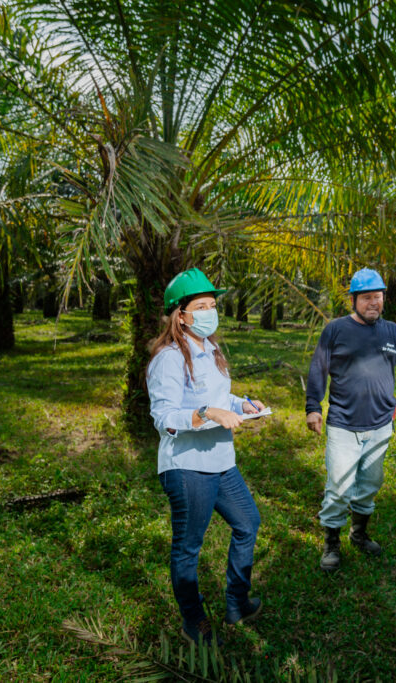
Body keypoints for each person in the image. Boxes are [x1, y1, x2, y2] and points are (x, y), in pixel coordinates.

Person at [147, 268, 265, 645]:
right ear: (179, 314)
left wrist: (242, 404)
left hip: (221, 461)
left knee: (248, 523)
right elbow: (164, 417)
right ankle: (193, 620)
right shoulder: (168, 358)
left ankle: (237, 602)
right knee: (188, 547)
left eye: (212, 305)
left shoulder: (211, 349)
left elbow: (219, 397)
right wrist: (207, 414)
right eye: (200, 306)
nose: (209, 312)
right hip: (187, 468)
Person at [306, 268, 396, 572]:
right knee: (338, 486)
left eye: (379, 296)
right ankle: (331, 542)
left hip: (380, 425)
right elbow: (318, 368)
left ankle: (358, 534)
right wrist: (313, 407)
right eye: (368, 297)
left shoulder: (392, 332)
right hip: (344, 424)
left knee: (370, 484)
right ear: (353, 299)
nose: (374, 302)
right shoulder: (335, 330)